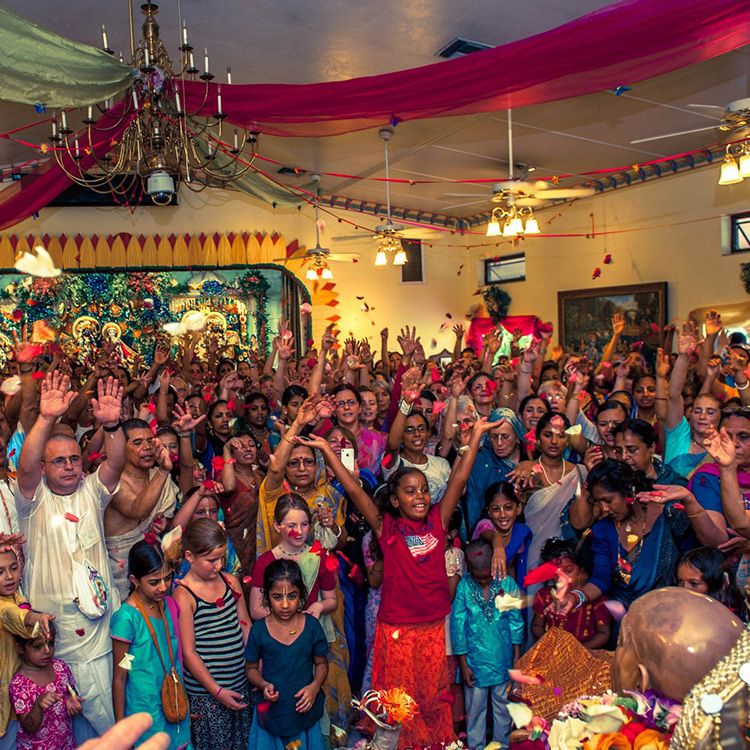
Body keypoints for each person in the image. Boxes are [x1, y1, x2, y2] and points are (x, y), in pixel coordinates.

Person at [298, 417, 499, 749]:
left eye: (423, 490)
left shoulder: (438, 518)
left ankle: (432, 744)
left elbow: (460, 476)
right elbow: (352, 487)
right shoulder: (385, 527)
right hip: (397, 629)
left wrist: (476, 435)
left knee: (432, 697)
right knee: (398, 703)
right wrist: (324, 451)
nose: (419, 496)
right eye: (410, 491)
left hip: (433, 625)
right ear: (394, 500)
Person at [15, 373, 127, 741]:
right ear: (45, 469)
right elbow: (26, 467)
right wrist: (45, 419)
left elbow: (115, 463)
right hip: (52, 643)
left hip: (96, 642)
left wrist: (112, 425)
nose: (68, 466)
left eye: (74, 459)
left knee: (110, 730)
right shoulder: (33, 500)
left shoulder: (92, 492)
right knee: (61, 734)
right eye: (58, 461)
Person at [560, 460, 726, 617]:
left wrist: (689, 500)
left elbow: (712, 546)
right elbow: (601, 578)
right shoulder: (603, 529)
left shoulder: (668, 516)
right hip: (626, 621)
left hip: (671, 616)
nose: (604, 508)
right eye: (599, 502)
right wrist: (576, 597)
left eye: (608, 500)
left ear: (630, 490)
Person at [249, 494, 350, 737]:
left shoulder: (318, 556)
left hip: (311, 638)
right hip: (278, 642)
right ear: (277, 526)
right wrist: (288, 616)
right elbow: (255, 610)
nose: (299, 531)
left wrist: (317, 608)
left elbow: (331, 600)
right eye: (291, 525)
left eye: (304, 524)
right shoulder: (266, 561)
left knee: (313, 689)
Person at [172, 519, 253, 750]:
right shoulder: (184, 595)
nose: (218, 565)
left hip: (239, 686)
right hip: (208, 697)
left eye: (221, 557)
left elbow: (245, 626)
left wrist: (256, 667)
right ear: (189, 556)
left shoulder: (231, 582)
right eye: (211, 560)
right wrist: (216, 691)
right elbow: (188, 653)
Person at [110, 541, 191, 749]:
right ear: (134, 580)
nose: (163, 587)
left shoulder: (165, 603)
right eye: (154, 582)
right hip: (145, 710)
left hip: (174, 703)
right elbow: (121, 675)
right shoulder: (127, 618)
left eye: (167, 578)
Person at [245, 559, 329, 750]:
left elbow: (322, 664)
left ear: (300, 594)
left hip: (303, 713)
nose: (285, 605)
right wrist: (263, 684)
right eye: (277, 597)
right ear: (266, 595)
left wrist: (315, 687)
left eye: (291, 596)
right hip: (272, 716)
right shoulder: (259, 631)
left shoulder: (312, 627)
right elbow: (250, 668)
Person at [451, 539, 523, 750]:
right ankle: (476, 746)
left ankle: (501, 746)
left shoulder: (507, 583)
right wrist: (463, 664)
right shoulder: (464, 586)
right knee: (475, 710)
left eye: (488, 578)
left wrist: (517, 658)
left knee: (502, 708)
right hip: (474, 662)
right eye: (478, 578)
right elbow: (458, 625)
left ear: (494, 565)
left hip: (503, 659)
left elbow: (516, 621)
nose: (484, 583)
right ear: (468, 569)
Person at [105, 418, 179, 599]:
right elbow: (138, 511)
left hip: (155, 572)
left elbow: (168, 525)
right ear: (122, 447)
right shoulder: (113, 480)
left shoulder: (158, 476)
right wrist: (164, 470)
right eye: (137, 443)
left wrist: (163, 525)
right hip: (121, 574)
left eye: (150, 441)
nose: (147, 447)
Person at [510, 413, 585, 575]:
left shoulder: (580, 473)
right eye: (548, 435)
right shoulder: (525, 474)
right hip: (532, 554)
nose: (554, 441)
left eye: (561, 435)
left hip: (570, 558)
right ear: (537, 439)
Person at [0, 546, 55, 750]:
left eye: (13, 568)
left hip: (13, 706)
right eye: (0, 572)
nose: (9, 576)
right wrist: (35, 618)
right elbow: (13, 615)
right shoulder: (4, 605)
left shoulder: (16, 597)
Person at [10, 621, 83, 750]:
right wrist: (38, 705)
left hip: (66, 744)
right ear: (20, 648)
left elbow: (71, 691)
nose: (47, 651)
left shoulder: (60, 668)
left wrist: (71, 699)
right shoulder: (19, 684)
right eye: (37, 647)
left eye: (50, 644)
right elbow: (29, 726)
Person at [530, 538, 611, 649]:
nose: (562, 578)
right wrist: (549, 644)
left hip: (585, 654)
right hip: (552, 654)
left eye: (568, 571)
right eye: (556, 573)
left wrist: (578, 650)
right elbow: (536, 625)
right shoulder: (545, 596)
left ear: (581, 570)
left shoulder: (594, 598)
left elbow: (604, 633)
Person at [383, 376, 450, 504]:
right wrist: (405, 405)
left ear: (428, 432)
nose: (417, 434)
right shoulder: (391, 463)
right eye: (409, 430)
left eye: (421, 428)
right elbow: (392, 446)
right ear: (400, 437)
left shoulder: (442, 464)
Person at [464, 408, 526, 535]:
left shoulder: (528, 461)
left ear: (518, 438)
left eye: (505, 437)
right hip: (484, 530)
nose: (499, 443)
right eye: (494, 437)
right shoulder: (480, 460)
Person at [471, 482, 531, 584]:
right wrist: (498, 549)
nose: (502, 515)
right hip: (477, 588)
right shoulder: (484, 525)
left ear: (518, 508)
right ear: (489, 512)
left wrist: (514, 592)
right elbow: (493, 535)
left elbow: (510, 566)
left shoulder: (520, 532)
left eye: (508, 508)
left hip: (502, 587)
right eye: (496, 509)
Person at [676, 546, 747, 619]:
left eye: (694, 583)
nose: (684, 589)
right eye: (680, 581)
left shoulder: (732, 622)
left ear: (721, 583)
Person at [612, 419, 686, 486]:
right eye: (619, 451)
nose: (623, 457)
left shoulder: (673, 483)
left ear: (651, 448)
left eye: (632, 450)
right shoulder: (610, 480)